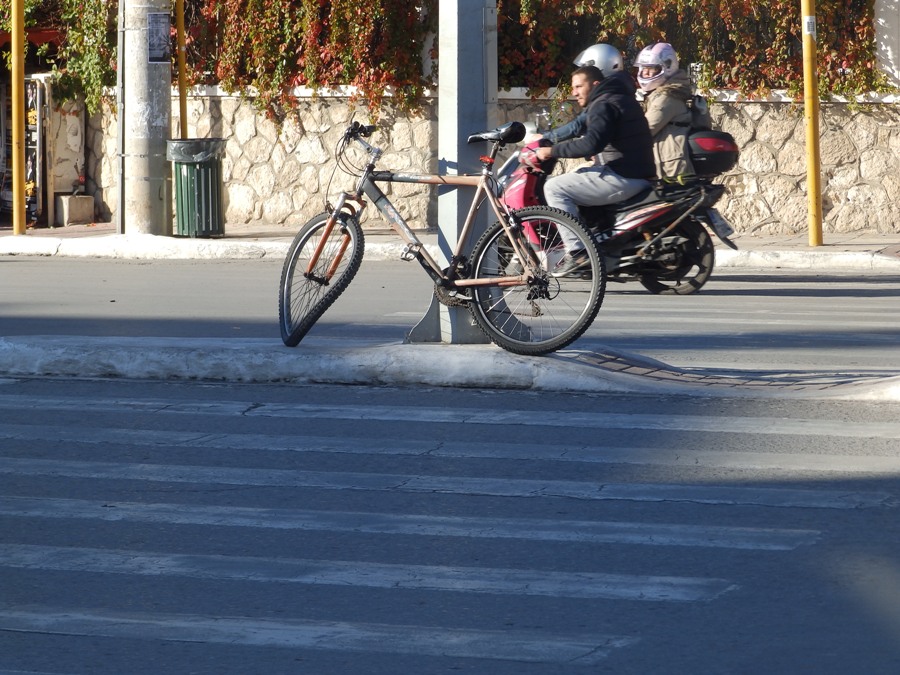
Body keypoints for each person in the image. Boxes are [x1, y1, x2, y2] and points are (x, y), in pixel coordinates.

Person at [531, 47, 655, 277]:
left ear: (595, 84)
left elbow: (591, 144)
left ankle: (577, 253)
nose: (575, 93)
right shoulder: (616, 96)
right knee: (581, 176)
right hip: (634, 172)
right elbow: (578, 126)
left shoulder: (603, 103)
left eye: (579, 87)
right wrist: (548, 138)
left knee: (554, 188)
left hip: (624, 175)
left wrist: (552, 151)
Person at [634, 42, 696, 181]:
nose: (645, 73)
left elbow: (645, 129)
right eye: (644, 69)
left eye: (651, 69)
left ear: (667, 67)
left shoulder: (667, 97)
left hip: (672, 171)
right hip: (664, 167)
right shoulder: (660, 94)